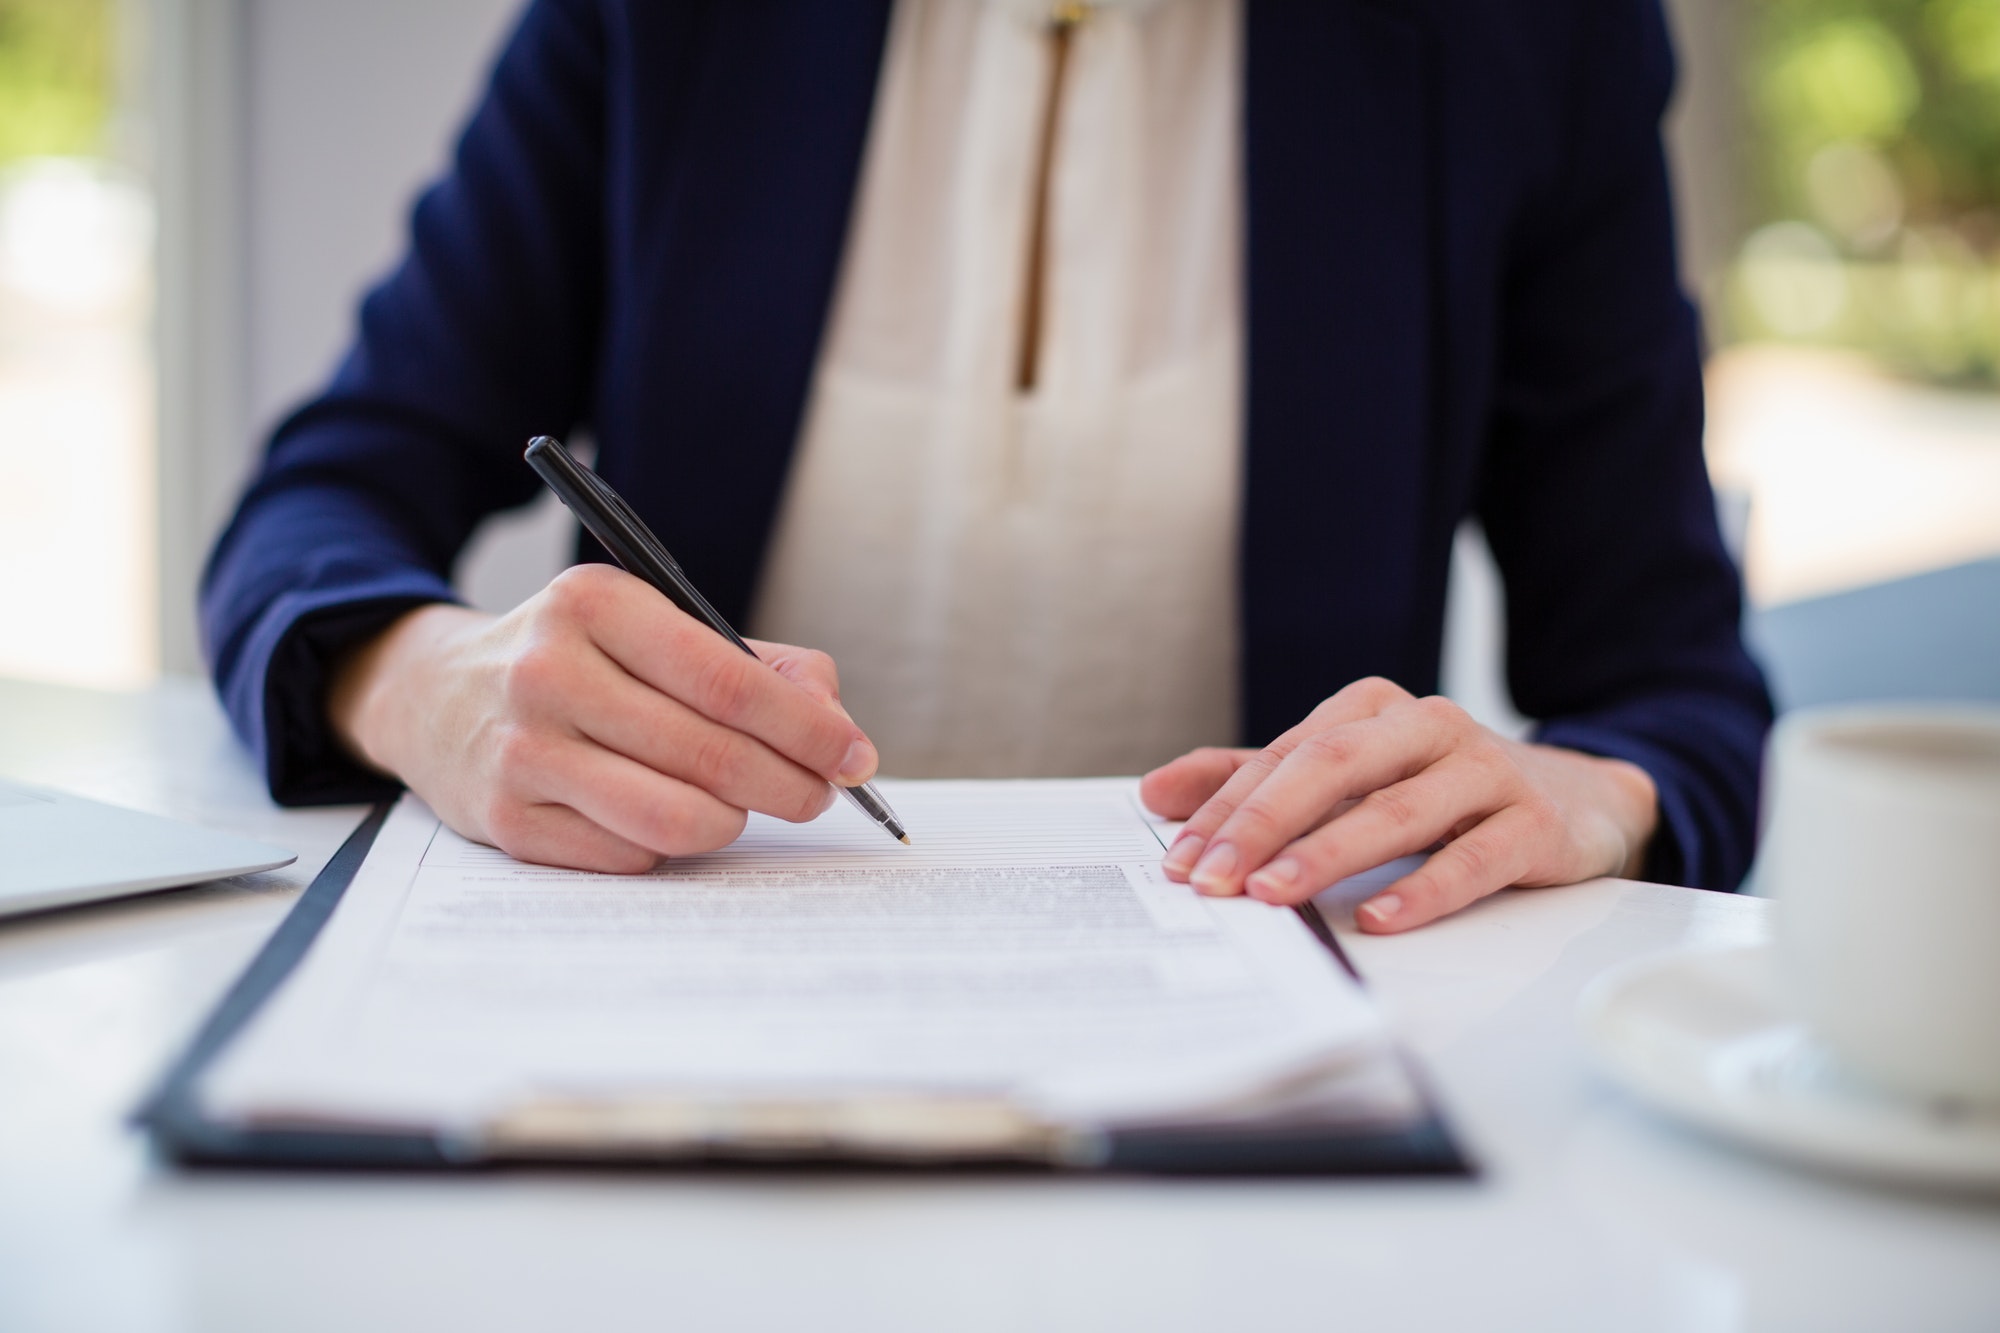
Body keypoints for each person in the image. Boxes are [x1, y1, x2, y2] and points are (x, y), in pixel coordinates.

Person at [201, 0, 1773, 934]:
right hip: (696, 1026)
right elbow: (327, 493)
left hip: (1258, 1089)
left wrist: (1586, 793)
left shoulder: (1524, 34)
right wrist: (422, 681)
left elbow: (1676, 687)